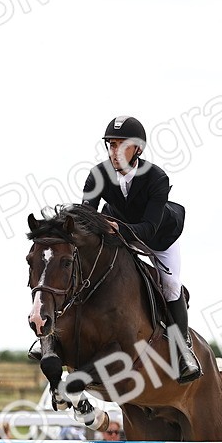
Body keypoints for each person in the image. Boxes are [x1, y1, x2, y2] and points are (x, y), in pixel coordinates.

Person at [82, 115, 200, 384]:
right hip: (118, 230)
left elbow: (149, 227)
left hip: (159, 237)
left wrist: (118, 229)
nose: (115, 152)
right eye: (111, 145)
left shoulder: (156, 177)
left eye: (121, 145)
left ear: (138, 149)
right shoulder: (98, 175)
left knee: (170, 284)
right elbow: (87, 216)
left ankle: (183, 352)